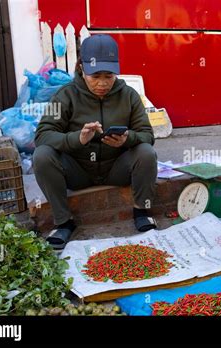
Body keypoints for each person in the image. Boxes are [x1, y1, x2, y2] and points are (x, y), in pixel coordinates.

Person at [33, 34, 158, 250]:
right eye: (95, 76)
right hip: (78, 171)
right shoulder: (64, 96)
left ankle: (141, 211)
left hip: (115, 170)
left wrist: (128, 139)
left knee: (146, 152)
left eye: (108, 76)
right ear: (81, 68)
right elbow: (42, 135)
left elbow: (147, 134)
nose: (102, 83)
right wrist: (77, 139)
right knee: (42, 156)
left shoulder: (129, 95)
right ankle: (64, 223)